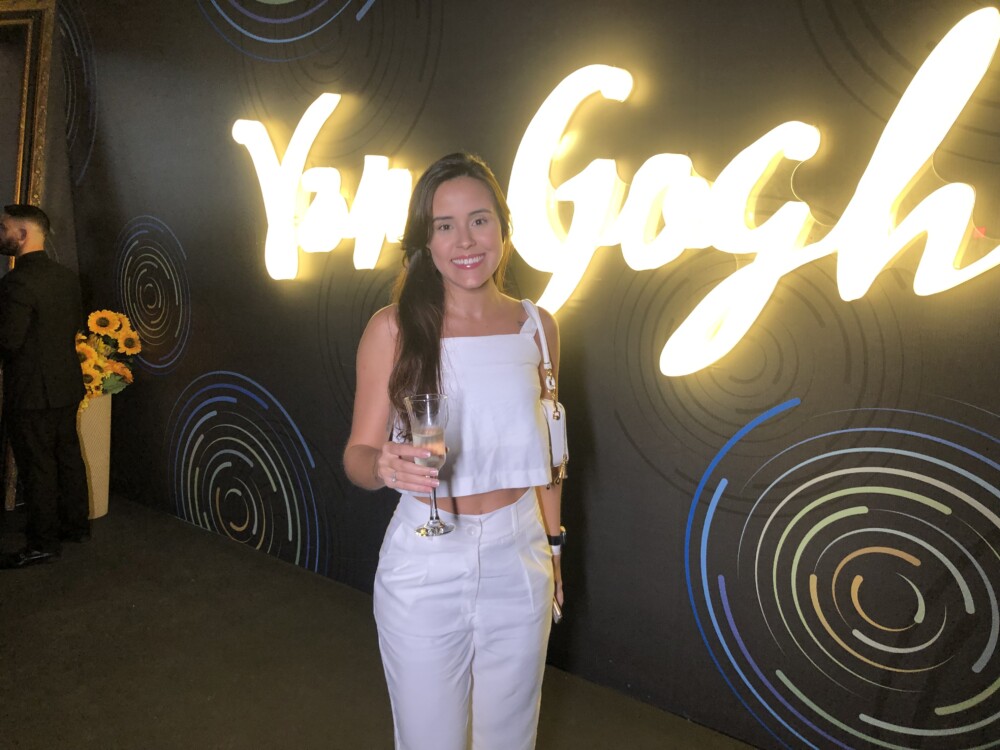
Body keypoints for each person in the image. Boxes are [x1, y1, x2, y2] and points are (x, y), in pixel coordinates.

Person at [344, 152, 565, 750]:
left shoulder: (538, 327)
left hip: (519, 554)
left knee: (510, 737)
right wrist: (382, 465)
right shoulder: (393, 328)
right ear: (426, 240)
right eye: (445, 225)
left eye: (479, 220)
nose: (465, 240)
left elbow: (551, 456)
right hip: (426, 556)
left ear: (503, 228)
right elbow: (358, 455)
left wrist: (553, 551)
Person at [0, 204, 89, 568]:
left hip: (30, 392)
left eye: (4, 227)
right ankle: (75, 526)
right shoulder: (67, 277)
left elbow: (9, 341)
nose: (1, 233)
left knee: (38, 466)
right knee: (67, 457)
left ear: (22, 234)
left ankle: (42, 543)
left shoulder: (16, 283)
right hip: (66, 384)